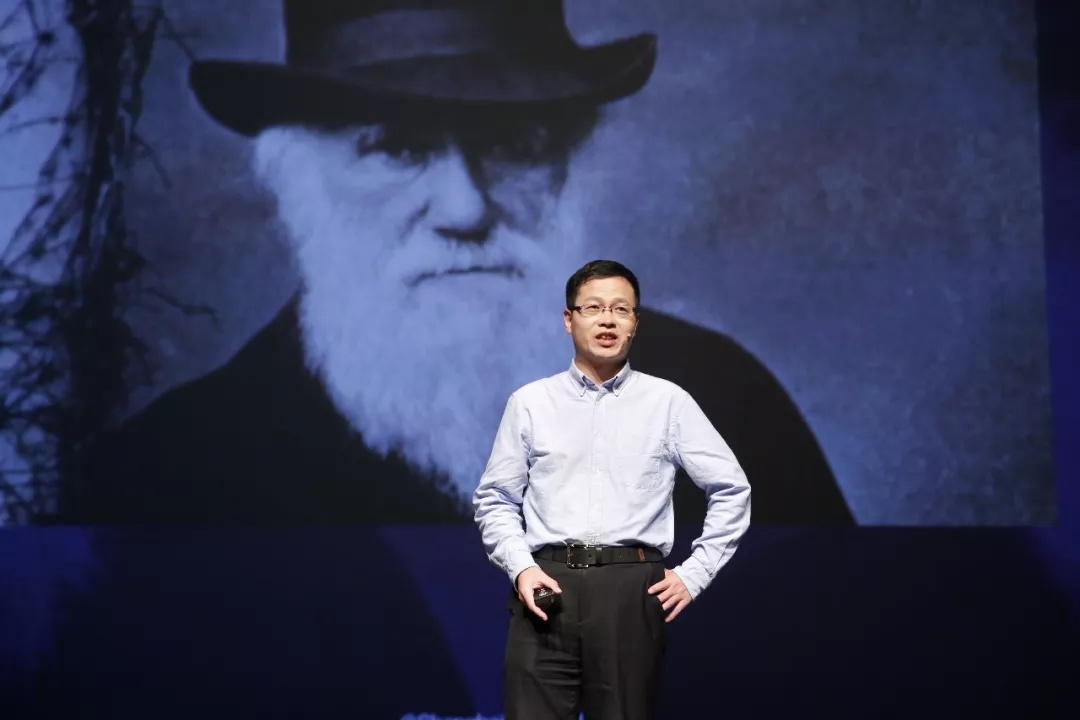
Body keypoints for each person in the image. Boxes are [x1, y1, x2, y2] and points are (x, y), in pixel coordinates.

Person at [56, 0, 851, 525]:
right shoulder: (173, 475)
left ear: (570, 166)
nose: (464, 209)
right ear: (300, 185)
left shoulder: (717, 409)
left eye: (512, 144)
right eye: (396, 148)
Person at [473, 259, 752, 719]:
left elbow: (732, 488)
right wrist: (521, 568)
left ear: (635, 323)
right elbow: (495, 499)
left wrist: (695, 573)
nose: (607, 320)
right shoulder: (531, 403)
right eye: (594, 308)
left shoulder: (667, 402)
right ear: (569, 320)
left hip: (630, 589)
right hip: (546, 586)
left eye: (621, 310)